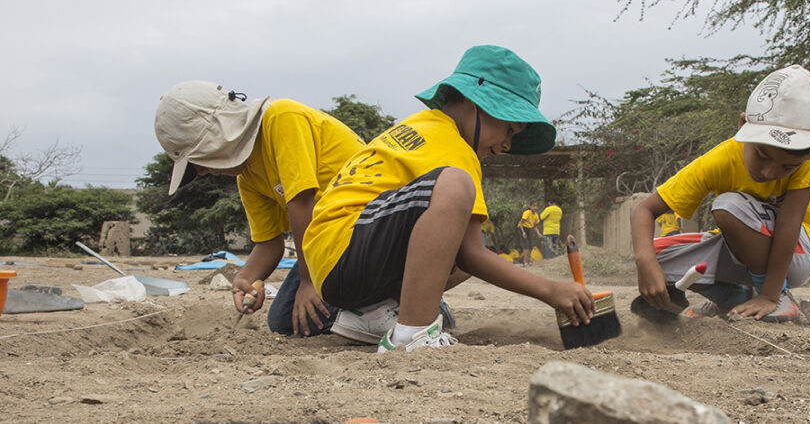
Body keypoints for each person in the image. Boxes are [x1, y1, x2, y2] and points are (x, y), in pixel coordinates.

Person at [302, 45, 595, 352]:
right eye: (508, 128)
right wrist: (550, 289)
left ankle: (371, 312)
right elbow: (472, 255)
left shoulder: (422, 127)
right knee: (457, 186)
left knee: (462, 238)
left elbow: (466, 255)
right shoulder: (455, 149)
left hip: (334, 256)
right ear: (474, 102)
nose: (507, 144)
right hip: (346, 248)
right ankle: (413, 334)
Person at [154, 81, 375, 337]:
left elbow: (302, 201)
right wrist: (245, 278)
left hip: (366, 226)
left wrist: (309, 281)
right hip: (328, 245)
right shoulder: (247, 178)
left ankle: (392, 303)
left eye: (197, 162)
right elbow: (269, 243)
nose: (202, 171)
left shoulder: (281, 118)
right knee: (286, 321)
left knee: (312, 302)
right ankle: (365, 309)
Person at [630, 65, 810, 323]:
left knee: (728, 205)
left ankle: (779, 295)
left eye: (787, 167)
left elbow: (789, 222)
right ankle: (732, 296)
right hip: (739, 252)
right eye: (761, 155)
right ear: (742, 126)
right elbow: (643, 210)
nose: (769, 172)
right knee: (656, 255)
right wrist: (644, 263)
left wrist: (770, 295)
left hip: (798, 252)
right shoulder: (720, 160)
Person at [517, 200, 542, 265]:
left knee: (531, 245)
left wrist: (538, 233)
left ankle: (528, 260)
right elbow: (520, 223)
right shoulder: (527, 213)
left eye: (536, 206)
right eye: (534, 206)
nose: (535, 208)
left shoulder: (536, 215)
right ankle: (525, 261)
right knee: (526, 244)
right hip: (522, 228)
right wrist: (523, 232)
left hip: (529, 229)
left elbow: (535, 226)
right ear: (530, 206)